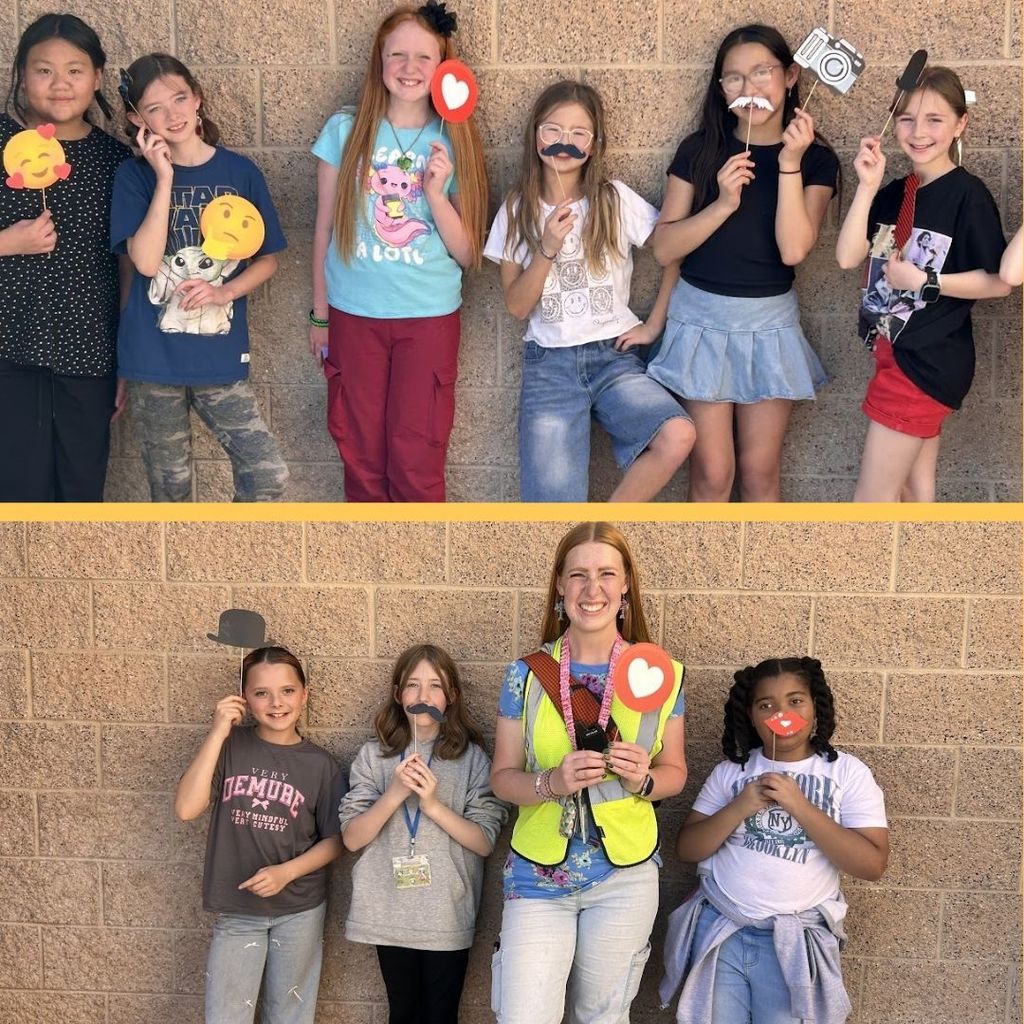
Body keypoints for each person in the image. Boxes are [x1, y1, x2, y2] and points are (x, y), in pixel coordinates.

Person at [490, 521, 687, 1024]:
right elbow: (502, 777)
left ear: (625, 586)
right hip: (538, 876)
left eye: (606, 574)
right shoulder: (525, 673)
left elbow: (675, 773)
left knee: (601, 1017)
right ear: (559, 585)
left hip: (624, 876)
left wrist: (644, 779)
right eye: (578, 575)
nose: (591, 588)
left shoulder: (663, 673)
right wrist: (550, 783)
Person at [649, 24, 839, 502]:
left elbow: (794, 250)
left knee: (760, 473)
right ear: (721, 89)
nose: (749, 88)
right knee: (713, 473)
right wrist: (722, 204)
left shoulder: (816, 160)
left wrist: (790, 163)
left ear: (791, 76)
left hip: (769, 324)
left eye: (762, 73)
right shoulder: (699, 150)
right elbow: (663, 248)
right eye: (734, 78)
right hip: (701, 321)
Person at [310, 1, 488, 501]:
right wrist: (320, 315)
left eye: (423, 58)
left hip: (427, 319)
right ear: (379, 61)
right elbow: (324, 229)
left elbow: (470, 254)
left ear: (443, 66)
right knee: (360, 455)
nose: (409, 69)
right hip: (354, 317)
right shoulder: (344, 132)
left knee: (417, 457)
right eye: (397, 55)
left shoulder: (453, 137)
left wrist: (434, 193)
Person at [485, 80, 694, 501]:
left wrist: (654, 324)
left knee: (676, 434)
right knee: (551, 505)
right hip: (550, 367)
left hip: (613, 358)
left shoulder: (614, 199)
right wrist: (546, 248)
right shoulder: (515, 209)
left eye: (579, 133)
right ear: (535, 135)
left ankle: (603, 528)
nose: (566, 143)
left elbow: (672, 252)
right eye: (554, 131)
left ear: (594, 145)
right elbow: (517, 306)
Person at [661, 656, 889, 1024]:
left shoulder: (847, 773)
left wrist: (800, 806)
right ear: (751, 715)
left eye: (795, 701)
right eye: (766, 705)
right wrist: (741, 806)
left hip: (792, 944)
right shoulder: (731, 773)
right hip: (724, 934)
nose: (781, 713)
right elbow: (687, 849)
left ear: (816, 706)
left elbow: (872, 865)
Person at [112, 53, 289, 502]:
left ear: (198, 99)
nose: (172, 114)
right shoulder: (133, 177)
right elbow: (148, 264)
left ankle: (230, 554)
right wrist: (165, 178)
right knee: (170, 490)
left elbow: (268, 259)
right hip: (153, 360)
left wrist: (222, 290)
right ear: (137, 119)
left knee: (267, 473)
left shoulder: (239, 173)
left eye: (179, 98)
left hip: (218, 357)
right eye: (154, 108)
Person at [836, 66, 1009, 501]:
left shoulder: (968, 195)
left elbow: (998, 283)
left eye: (934, 119)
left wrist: (925, 280)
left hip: (925, 364)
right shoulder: (896, 191)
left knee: (870, 502)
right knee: (914, 491)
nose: (918, 132)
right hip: (893, 353)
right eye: (906, 118)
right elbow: (846, 256)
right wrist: (867, 186)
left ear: (960, 124)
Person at [174, 646, 344, 1024]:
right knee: (226, 1016)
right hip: (239, 910)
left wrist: (287, 872)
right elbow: (186, 808)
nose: (276, 703)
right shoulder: (231, 746)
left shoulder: (322, 765)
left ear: (305, 694)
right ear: (245, 698)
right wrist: (218, 732)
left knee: (289, 1016)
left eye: (287, 690)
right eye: (261, 693)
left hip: (299, 909)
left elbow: (336, 840)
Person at [339, 644, 507, 1024]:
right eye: (413, 686)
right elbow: (351, 838)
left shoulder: (473, 760)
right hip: (388, 913)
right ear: (399, 696)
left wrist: (432, 805)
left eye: (435, 686)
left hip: (445, 918)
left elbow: (484, 841)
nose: (423, 696)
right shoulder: (373, 756)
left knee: (440, 1014)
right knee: (402, 1012)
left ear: (451, 698)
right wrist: (395, 794)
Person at [0, 13, 130, 501]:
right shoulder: (1, 143)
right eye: (44, 70)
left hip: (88, 355)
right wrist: (8, 241)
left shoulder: (115, 162)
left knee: (81, 491)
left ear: (97, 77)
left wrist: (125, 358)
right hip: (7, 351)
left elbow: (126, 268)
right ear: (21, 74)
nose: (60, 84)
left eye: (75, 70)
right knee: (16, 494)